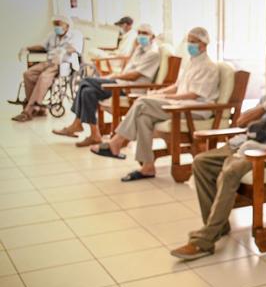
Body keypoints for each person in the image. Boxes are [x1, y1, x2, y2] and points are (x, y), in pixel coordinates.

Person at [169, 57, 266, 260]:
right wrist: (265, 107)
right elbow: (241, 122)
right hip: (245, 144)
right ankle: (219, 226)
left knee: (231, 171)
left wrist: (264, 148)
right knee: (201, 162)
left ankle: (204, 240)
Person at [89, 27, 219, 181]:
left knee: (142, 101)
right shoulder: (191, 63)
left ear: (203, 44)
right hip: (180, 105)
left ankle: (116, 142)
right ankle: (148, 167)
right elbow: (177, 86)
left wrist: (166, 97)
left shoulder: (209, 67)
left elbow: (194, 94)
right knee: (144, 117)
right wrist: (159, 93)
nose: (189, 45)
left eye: (193, 42)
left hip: (195, 110)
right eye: (188, 41)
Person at [51, 23, 160, 147]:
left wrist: (113, 76)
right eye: (139, 33)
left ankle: (77, 124)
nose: (140, 36)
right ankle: (95, 135)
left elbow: (134, 75)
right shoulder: (139, 49)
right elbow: (127, 68)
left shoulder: (153, 53)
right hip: (121, 83)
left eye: (144, 33)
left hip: (129, 89)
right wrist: (133, 49)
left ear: (153, 36)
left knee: (85, 81)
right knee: (87, 92)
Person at [12, 15, 83, 122]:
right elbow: (42, 46)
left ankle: (29, 111)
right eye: (55, 24)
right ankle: (39, 107)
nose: (56, 26)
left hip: (63, 64)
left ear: (67, 25)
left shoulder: (75, 34)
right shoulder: (52, 35)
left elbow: (75, 48)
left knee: (43, 77)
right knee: (28, 74)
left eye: (58, 24)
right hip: (49, 61)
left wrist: (63, 50)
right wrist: (26, 48)